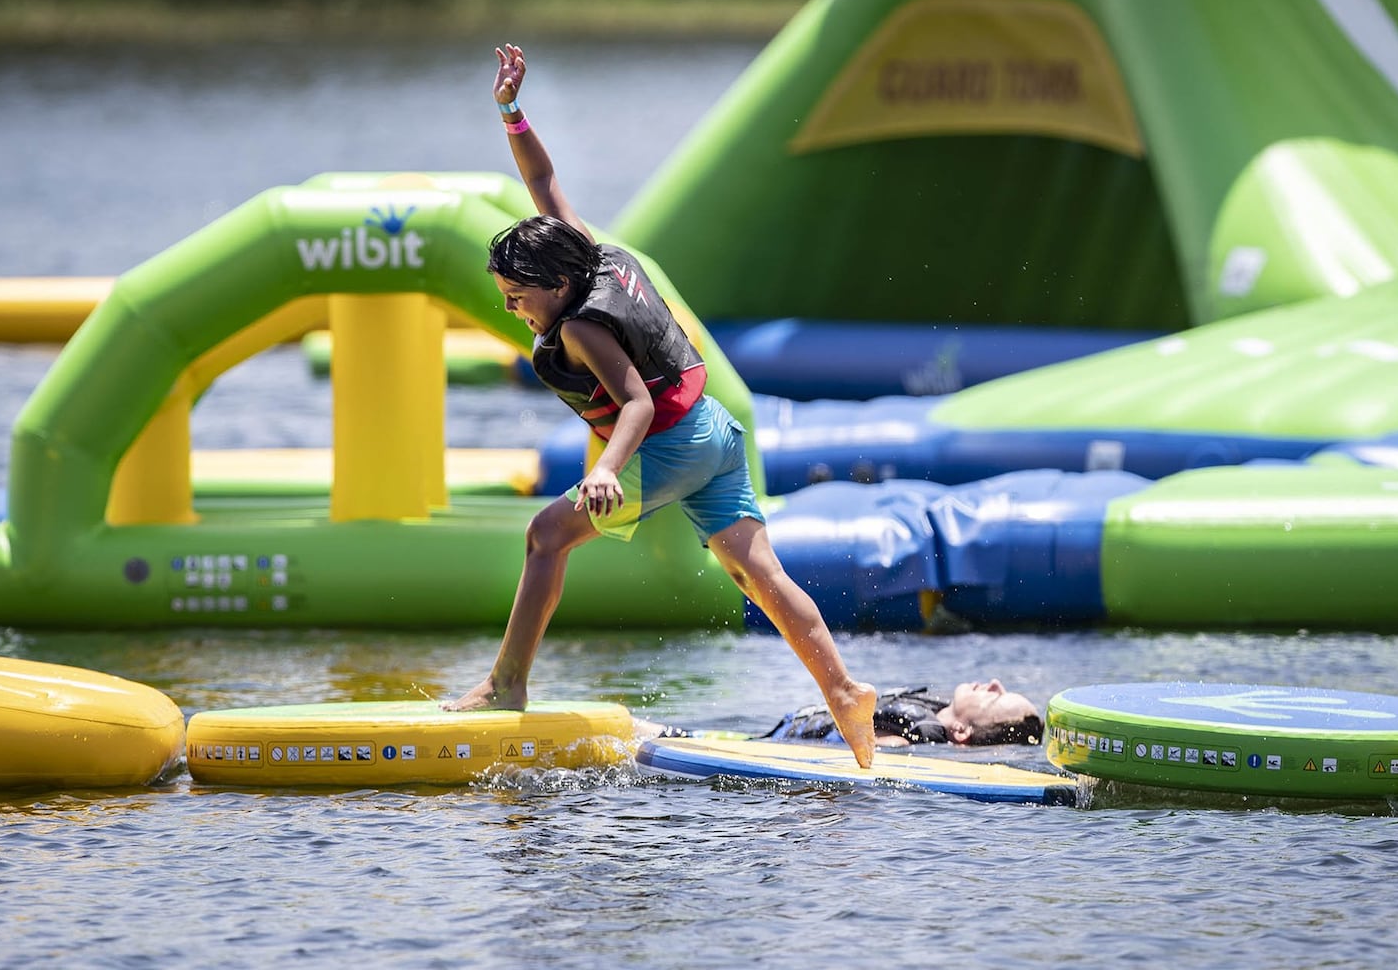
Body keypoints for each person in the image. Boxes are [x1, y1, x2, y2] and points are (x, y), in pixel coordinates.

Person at [444, 43, 879, 769]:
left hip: (668, 444)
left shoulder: (580, 325)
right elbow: (544, 178)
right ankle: (843, 691)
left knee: (545, 539)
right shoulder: (591, 251)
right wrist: (511, 110)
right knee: (760, 576)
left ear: (554, 283)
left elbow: (638, 403)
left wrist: (608, 469)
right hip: (716, 433)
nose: (515, 311)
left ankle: (506, 685)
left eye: (518, 299)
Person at [636, 679, 1044, 748]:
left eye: (996, 697)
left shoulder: (906, 739)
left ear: (959, 732)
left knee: (646, 731)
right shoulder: (931, 709)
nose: (993, 683)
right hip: (776, 733)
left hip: (770, 746)